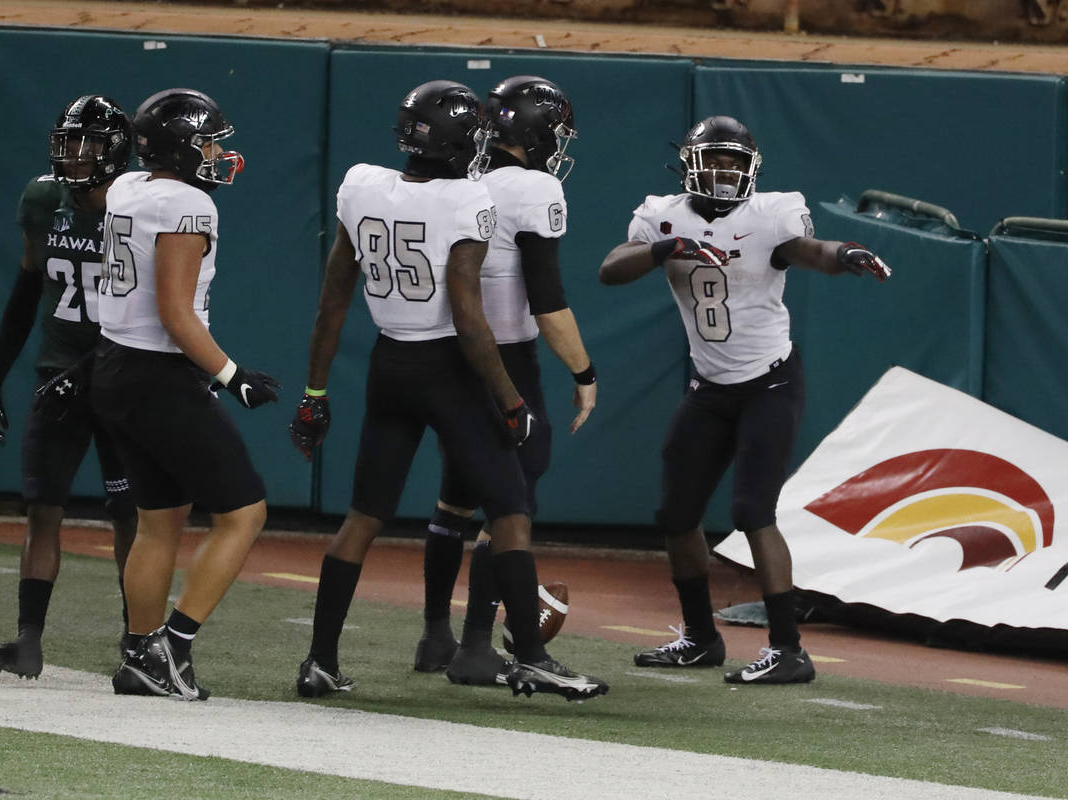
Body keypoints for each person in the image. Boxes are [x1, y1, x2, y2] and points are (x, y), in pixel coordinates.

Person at [287, 79, 607, 702]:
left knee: (362, 518)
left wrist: (315, 393)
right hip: (450, 371)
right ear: (464, 142)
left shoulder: (360, 184)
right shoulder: (467, 200)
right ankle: (534, 658)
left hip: (387, 366)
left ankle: (320, 661)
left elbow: (331, 306)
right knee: (511, 511)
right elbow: (468, 316)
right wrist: (511, 400)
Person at [598, 115, 891, 685]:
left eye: (736, 159)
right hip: (710, 389)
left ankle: (788, 649)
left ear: (752, 166)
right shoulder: (663, 215)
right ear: (690, 164)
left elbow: (808, 250)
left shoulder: (769, 214)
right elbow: (611, 270)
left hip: (770, 381)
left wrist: (846, 251)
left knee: (752, 511)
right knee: (676, 515)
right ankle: (700, 638)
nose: (727, 168)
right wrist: (668, 248)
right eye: (717, 158)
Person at [89, 88, 281, 700]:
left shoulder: (127, 189)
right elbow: (175, 313)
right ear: (181, 147)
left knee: (158, 521)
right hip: (159, 375)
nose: (219, 152)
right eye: (209, 142)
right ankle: (172, 646)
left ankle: (139, 653)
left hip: (115, 366)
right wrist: (233, 375)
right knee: (245, 512)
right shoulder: (189, 204)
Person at [411, 75, 596, 686]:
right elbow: (548, 303)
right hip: (507, 361)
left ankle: (435, 635)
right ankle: (477, 644)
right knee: (511, 501)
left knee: (455, 498)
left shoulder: (461, 176)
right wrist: (584, 371)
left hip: (447, 352)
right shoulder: (536, 188)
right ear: (539, 134)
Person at [0, 95, 138, 681]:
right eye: (69, 142)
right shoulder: (45, 198)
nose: (74, 154)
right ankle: (29, 641)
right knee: (42, 511)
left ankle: (137, 637)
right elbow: (27, 290)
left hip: (122, 377)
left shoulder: (138, 206)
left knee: (130, 514)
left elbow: (151, 306)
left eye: (89, 143)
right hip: (58, 377)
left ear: (116, 151)